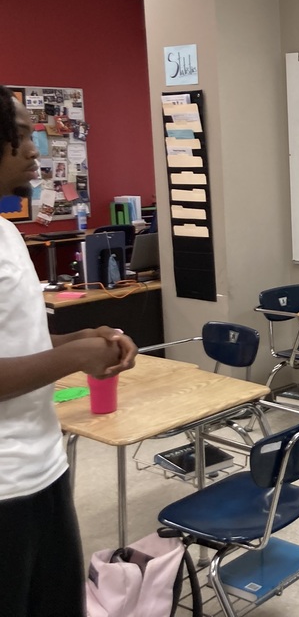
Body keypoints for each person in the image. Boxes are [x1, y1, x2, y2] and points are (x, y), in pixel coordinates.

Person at [0, 85, 138, 616]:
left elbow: (21, 342)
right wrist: (76, 360)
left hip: (44, 470)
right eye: (20, 135)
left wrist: (77, 340)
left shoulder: (8, 234)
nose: (34, 148)